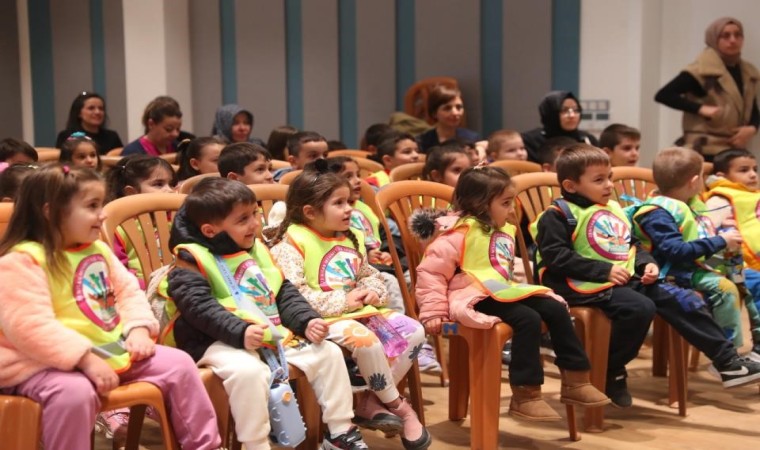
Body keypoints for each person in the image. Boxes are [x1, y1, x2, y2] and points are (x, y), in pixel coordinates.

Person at [0, 164, 221, 449]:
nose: (102, 214)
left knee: (178, 364)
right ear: (51, 212)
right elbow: (30, 327)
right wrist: (84, 359)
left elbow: (128, 294)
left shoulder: (98, 249)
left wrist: (138, 330)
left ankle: (205, 446)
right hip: (36, 364)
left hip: (106, 351)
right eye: (92, 206)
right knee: (74, 393)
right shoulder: (20, 262)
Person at [532, 144, 760, 407]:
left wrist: (646, 264)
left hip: (619, 280)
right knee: (640, 308)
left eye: (610, 178)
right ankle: (611, 368)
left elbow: (632, 245)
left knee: (682, 298)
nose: (608, 185)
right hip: (578, 284)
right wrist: (603, 270)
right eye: (599, 180)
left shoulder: (612, 208)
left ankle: (727, 362)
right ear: (571, 186)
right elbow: (556, 257)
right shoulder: (558, 215)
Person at [164, 177, 369, 450]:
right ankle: (256, 444)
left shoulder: (256, 249)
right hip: (214, 340)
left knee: (328, 353)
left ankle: (340, 431)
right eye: (243, 219)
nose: (255, 224)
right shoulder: (190, 259)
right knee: (250, 372)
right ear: (210, 230)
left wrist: (306, 320)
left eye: (255, 214)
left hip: (265, 335)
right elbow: (198, 308)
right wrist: (239, 331)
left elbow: (281, 290)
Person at [416, 166, 610, 420]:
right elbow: (431, 274)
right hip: (468, 297)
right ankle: (526, 393)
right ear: (480, 205)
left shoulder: (500, 229)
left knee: (554, 308)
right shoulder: (455, 235)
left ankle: (576, 380)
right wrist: (433, 312)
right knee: (527, 319)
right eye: (506, 203)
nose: (512, 210)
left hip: (498, 292)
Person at [270, 165, 431, 450]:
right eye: (339, 203)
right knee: (365, 341)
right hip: (318, 319)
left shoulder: (351, 235)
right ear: (310, 212)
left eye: (349, 202)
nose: (349, 210)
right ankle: (400, 407)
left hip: (360, 313)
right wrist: (343, 301)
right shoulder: (290, 243)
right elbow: (292, 294)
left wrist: (372, 291)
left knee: (414, 331)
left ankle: (370, 400)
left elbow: (369, 274)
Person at [632, 147, 760, 351]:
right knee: (726, 289)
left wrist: (722, 229)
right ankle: (728, 353)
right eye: (702, 176)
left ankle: (757, 346)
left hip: (702, 263)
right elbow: (676, 251)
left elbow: (702, 230)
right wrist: (720, 240)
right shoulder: (658, 213)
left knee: (751, 279)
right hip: (674, 271)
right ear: (694, 181)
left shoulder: (693, 202)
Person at [655, 17, 759, 160]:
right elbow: (664, 95)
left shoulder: (749, 72)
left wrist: (752, 128)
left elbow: (753, 107)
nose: (733, 40)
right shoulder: (700, 70)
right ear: (713, 39)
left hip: (735, 148)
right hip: (703, 148)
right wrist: (700, 108)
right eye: (726, 35)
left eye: (737, 35)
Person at [704, 148, 760, 360]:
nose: (752, 175)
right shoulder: (719, 200)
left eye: (755, 169)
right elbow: (707, 232)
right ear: (722, 176)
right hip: (734, 264)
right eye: (744, 170)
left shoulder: (753, 196)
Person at [106, 155, 177, 288]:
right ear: (132, 193)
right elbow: (118, 272)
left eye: (172, 184)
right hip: (140, 290)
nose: (169, 190)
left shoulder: (177, 220)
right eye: (158, 184)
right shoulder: (121, 228)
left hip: (181, 285)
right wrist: (147, 286)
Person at [522, 91, 599, 163]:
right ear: (550, 113)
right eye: (564, 110)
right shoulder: (530, 141)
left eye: (576, 110)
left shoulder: (587, 139)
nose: (572, 115)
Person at [416, 85, 480, 153]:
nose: (455, 113)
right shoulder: (422, 142)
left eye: (459, 107)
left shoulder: (471, 138)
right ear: (434, 113)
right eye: (447, 108)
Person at [55, 91, 123, 154]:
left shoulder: (112, 136)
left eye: (101, 108)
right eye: (91, 108)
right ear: (79, 113)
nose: (97, 112)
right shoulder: (67, 136)